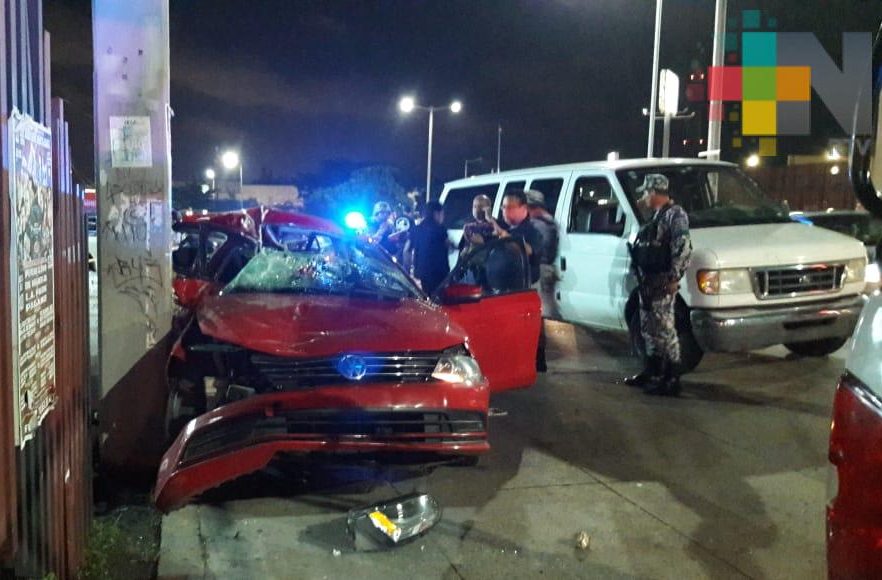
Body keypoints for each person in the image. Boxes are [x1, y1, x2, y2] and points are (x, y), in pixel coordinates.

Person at [624, 174, 693, 396]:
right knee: (648, 328)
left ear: (654, 192)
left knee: (665, 329)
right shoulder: (655, 216)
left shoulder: (675, 214)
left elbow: (683, 247)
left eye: (646, 192)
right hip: (648, 282)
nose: (644, 197)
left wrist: (674, 278)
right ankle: (652, 371)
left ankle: (672, 377)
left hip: (663, 282)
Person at [492, 190, 546, 371]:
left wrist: (507, 238)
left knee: (528, 329)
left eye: (509, 207)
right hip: (506, 288)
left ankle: (534, 363)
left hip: (524, 288)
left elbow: (529, 250)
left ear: (523, 208)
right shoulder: (509, 229)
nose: (504, 212)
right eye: (503, 208)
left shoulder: (532, 230)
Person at [524, 189, 561, 321]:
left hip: (540, 270)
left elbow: (535, 250)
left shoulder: (538, 224)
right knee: (548, 304)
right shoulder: (549, 221)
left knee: (544, 309)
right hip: (548, 269)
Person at [407, 201, 451, 296]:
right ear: (436, 213)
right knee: (440, 297)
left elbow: (407, 250)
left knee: (428, 294)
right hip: (439, 272)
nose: (442, 217)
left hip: (422, 272)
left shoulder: (416, 229)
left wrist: (407, 271)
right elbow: (447, 244)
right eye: (442, 214)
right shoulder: (440, 229)